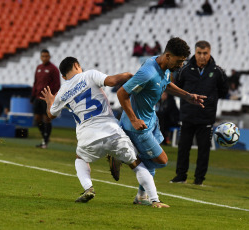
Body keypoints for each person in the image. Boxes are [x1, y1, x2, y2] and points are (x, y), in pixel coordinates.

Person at [40, 57, 169, 208]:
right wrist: (127, 75)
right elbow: (113, 81)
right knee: (136, 163)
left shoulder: (62, 92)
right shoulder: (89, 75)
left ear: (63, 76)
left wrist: (50, 102)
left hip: (87, 136)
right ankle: (155, 200)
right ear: (77, 65)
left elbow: (50, 116)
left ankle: (88, 188)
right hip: (111, 130)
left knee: (80, 159)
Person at [117, 37, 206, 204]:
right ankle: (124, 156)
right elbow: (122, 93)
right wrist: (134, 119)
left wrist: (187, 96)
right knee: (161, 160)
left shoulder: (164, 66)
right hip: (138, 126)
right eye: (179, 61)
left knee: (151, 160)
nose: (181, 65)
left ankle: (141, 196)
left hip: (151, 121)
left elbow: (166, 84)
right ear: (168, 56)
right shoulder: (147, 73)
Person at [171, 40, 228, 185]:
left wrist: (210, 102)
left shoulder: (218, 72)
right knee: (183, 148)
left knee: (204, 151)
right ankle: (180, 176)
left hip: (206, 118)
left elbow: (223, 92)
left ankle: (199, 179)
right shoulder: (184, 70)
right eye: (199, 53)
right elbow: (178, 88)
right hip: (187, 116)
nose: (202, 56)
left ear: (210, 53)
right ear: (194, 53)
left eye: (205, 53)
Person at [31, 49, 60, 149]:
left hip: (46, 98)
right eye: (43, 56)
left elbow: (57, 84)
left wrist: (52, 97)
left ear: (49, 57)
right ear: (40, 57)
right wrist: (33, 95)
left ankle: (45, 141)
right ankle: (45, 136)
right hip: (38, 97)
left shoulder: (53, 69)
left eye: (46, 56)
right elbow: (35, 82)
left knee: (46, 118)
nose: (44, 58)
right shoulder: (38, 68)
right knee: (37, 119)